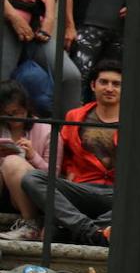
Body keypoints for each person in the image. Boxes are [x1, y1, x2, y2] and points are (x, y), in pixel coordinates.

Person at [20, 61, 121, 246]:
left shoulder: (136, 121)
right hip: (81, 189)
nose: (109, 88)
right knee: (32, 178)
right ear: (93, 85)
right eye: (104, 82)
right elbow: (63, 153)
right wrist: (68, 173)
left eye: (116, 84)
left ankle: (74, 230)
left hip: (117, 194)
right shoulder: (75, 116)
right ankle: (89, 230)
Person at [0, 80, 51, 241]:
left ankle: (30, 224)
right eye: (7, 114)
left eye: (17, 112)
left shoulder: (46, 130)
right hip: (4, 192)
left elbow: (54, 175)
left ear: (27, 108)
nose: (13, 118)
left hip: (32, 193)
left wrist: (33, 156)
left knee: (12, 162)